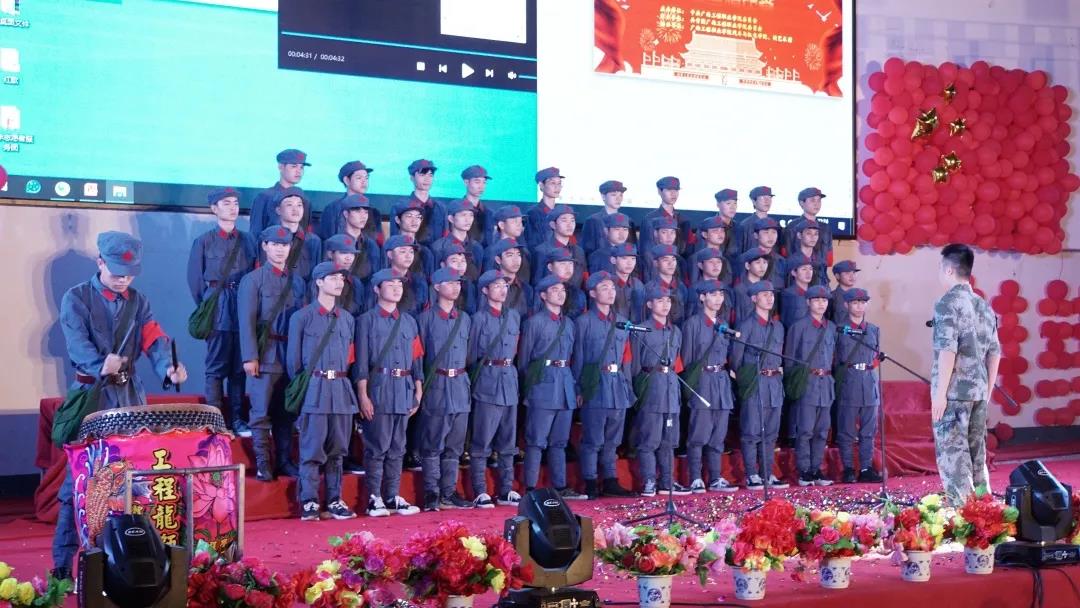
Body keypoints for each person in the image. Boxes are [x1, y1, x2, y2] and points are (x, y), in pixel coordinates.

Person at [52, 231, 189, 580]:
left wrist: (168, 368)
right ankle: (63, 565)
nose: (123, 279)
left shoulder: (138, 301)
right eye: (116, 272)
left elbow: (154, 338)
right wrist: (101, 364)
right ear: (99, 262)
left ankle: (135, 560)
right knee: (79, 481)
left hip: (129, 399)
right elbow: (76, 342)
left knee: (136, 478)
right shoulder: (76, 298)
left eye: (129, 274)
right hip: (91, 398)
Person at [287, 262, 359, 521]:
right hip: (314, 389)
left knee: (338, 451)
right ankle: (308, 500)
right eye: (332, 278)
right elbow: (294, 363)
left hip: (341, 390)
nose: (339, 282)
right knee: (311, 449)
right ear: (318, 281)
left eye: (341, 278)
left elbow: (350, 357)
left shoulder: (347, 319)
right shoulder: (302, 317)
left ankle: (334, 499)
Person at [930, 244, 1000, 505]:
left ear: (949, 270)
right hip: (979, 392)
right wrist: (987, 392)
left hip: (954, 392)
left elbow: (947, 350)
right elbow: (995, 353)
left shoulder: (947, 303)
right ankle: (986, 513)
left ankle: (964, 516)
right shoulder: (984, 305)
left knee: (954, 457)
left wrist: (940, 395)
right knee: (977, 457)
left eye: (941, 267)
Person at [187, 187, 258, 436]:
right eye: (226, 203)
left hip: (243, 305)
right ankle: (215, 421)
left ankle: (237, 420)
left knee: (239, 368)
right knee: (216, 369)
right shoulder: (204, 241)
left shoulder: (249, 240)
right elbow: (195, 282)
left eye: (235, 203)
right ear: (214, 208)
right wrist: (209, 306)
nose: (232, 208)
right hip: (217, 307)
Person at [353, 269, 423, 517]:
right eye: (390, 284)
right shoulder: (366, 320)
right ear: (376, 289)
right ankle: (374, 497)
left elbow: (416, 358)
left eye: (399, 284)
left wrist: (418, 390)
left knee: (398, 446)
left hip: (403, 388)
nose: (396, 288)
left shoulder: (409, 321)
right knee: (377, 446)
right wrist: (363, 395)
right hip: (380, 387)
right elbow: (361, 362)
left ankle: (392, 495)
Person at [239, 225, 307, 482]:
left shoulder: (297, 281)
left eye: (285, 245)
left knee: (286, 411)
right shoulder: (253, 280)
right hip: (265, 354)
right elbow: (246, 321)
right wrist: (250, 356)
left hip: (290, 356)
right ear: (265, 246)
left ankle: (284, 461)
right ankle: (263, 463)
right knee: (260, 412)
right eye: (275, 244)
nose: (280, 249)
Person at [518, 276, 583, 499]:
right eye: (554, 290)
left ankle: (560, 486)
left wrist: (575, 388)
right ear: (543, 295)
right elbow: (524, 360)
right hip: (543, 385)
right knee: (536, 441)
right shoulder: (534, 322)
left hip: (565, 385)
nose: (560, 294)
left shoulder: (569, 324)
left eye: (562, 290)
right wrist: (532, 384)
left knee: (560, 442)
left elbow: (574, 357)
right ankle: (530, 487)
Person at [574, 271, 637, 499]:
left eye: (612, 288)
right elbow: (578, 357)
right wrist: (578, 388)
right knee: (593, 438)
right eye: (604, 288)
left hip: (617, 384)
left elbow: (626, 358)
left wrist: (628, 386)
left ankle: (610, 480)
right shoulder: (583, 322)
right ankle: (590, 481)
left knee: (613, 439)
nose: (610, 292)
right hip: (595, 384)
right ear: (592, 293)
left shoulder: (622, 322)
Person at [416, 268, 473, 511]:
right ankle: (432, 493)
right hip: (437, 384)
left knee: (454, 446)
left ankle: (449, 492)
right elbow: (418, 357)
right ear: (437, 287)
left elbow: (470, 354)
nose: (456, 287)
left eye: (458, 283)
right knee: (432, 443)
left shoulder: (465, 319)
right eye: (450, 283)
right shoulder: (425, 319)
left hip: (459, 384)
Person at [467, 270, 522, 508]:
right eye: (497, 286)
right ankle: (480, 490)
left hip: (509, 380)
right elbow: (471, 354)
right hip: (487, 381)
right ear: (485, 290)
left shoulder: (513, 316)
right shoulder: (478, 319)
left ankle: (506, 489)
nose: (502, 290)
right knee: (482, 441)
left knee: (508, 442)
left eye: (505, 286)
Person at [630, 284, 689, 496]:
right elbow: (634, 365)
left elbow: (678, 362)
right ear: (649, 304)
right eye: (660, 300)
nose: (665, 305)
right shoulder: (640, 330)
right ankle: (648, 481)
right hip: (651, 387)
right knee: (649, 439)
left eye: (668, 301)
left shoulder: (676, 331)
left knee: (669, 440)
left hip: (671, 389)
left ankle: (667, 481)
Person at [682, 280, 738, 493]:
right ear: (702, 297)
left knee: (718, 434)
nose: (718, 299)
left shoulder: (723, 324)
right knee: (699, 433)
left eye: (720, 295)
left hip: (721, 381)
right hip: (702, 380)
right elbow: (688, 359)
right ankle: (696, 477)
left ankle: (715, 477)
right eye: (713, 294)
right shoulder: (693, 324)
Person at [732, 281, 788, 490]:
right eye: (764, 295)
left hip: (774, 384)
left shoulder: (778, 327)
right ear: (754, 299)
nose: (769, 298)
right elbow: (736, 359)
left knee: (771, 433)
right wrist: (746, 381)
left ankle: (767, 473)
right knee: (751, 431)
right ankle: (752, 474)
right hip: (755, 382)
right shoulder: (746, 325)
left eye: (771, 295)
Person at [785, 285, 837, 487]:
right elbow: (790, 360)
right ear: (808, 302)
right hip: (807, 382)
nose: (821, 304)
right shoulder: (798, 327)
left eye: (824, 300)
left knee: (822, 430)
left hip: (826, 384)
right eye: (816, 300)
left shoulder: (831, 328)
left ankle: (817, 468)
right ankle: (804, 470)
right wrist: (794, 384)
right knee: (805, 430)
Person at [835, 288, 883, 484]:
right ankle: (848, 468)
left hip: (869, 382)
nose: (859, 306)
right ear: (846, 305)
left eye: (863, 302)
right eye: (855, 303)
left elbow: (876, 356)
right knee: (847, 430)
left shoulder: (873, 330)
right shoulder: (839, 329)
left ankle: (866, 468)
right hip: (850, 380)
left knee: (869, 430)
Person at [318, 161, 382, 245]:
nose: (364, 182)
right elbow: (327, 240)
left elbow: (377, 241)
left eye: (366, 178)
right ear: (347, 180)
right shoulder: (332, 209)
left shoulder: (373, 211)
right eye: (359, 178)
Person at [249, 148, 310, 237]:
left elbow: (305, 233)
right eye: (294, 166)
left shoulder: (305, 200)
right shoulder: (264, 197)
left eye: (301, 167)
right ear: (281, 167)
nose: (299, 171)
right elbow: (255, 232)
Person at [269, 187, 323, 282]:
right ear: (278, 210)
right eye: (289, 205)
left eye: (299, 205)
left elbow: (316, 274)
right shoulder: (268, 238)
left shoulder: (313, 241)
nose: (295, 209)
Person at [532, 204, 586, 289]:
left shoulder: (579, 251)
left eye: (572, 220)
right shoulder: (542, 251)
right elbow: (537, 284)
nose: (569, 225)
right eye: (564, 220)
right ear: (553, 225)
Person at [390, 159, 442, 246]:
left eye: (430, 175)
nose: (427, 179)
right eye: (422, 175)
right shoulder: (399, 207)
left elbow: (445, 240)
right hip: (410, 252)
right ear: (412, 178)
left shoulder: (441, 208)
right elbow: (395, 240)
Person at [432, 198, 485, 282]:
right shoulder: (439, 247)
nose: (468, 219)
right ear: (451, 218)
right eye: (463, 215)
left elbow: (477, 277)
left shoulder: (477, 247)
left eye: (471, 215)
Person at [335, 194, 383, 287]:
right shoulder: (335, 243)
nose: (363, 216)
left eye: (366, 212)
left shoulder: (371, 245)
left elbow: (375, 276)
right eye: (358, 211)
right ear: (346, 214)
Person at [639, 176, 693, 255]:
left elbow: (688, 250)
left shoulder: (684, 220)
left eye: (676, 190)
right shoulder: (650, 219)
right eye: (669, 190)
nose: (673, 194)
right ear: (659, 191)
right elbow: (646, 251)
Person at [581, 180, 635, 255]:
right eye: (613, 195)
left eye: (621, 195)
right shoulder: (593, 221)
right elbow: (587, 251)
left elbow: (633, 249)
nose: (618, 199)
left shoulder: (628, 221)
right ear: (603, 196)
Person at [379, 235, 429, 317]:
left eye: (411, 252)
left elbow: (425, 312)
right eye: (403, 251)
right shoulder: (380, 281)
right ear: (390, 254)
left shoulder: (420, 282)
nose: (408, 256)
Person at [638, 244, 687, 325]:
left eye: (673, 259)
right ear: (656, 263)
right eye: (665, 260)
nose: (671, 264)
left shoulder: (681, 287)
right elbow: (643, 317)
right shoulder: (648, 289)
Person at [782, 187, 833, 263]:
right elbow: (786, 256)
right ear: (801, 203)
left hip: (820, 270)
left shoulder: (825, 228)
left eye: (819, 200)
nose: (816, 204)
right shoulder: (792, 227)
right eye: (812, 200)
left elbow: (829, 259)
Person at [486, 238, 533, 319]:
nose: (516, 260)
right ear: (498, 260)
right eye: (510, 255)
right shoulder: (489, 286)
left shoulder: (527, 289)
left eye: (518, 255)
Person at [485, 205, 533, 284]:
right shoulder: (491, 252)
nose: (519, 225)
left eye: (520, 221)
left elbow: (526, 280)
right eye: (514, 221)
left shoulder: (524, 251)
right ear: (501, 225)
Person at [389, 200, 437, 277]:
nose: (414, 221)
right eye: (409, 216)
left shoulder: (426, 253)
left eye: (418, 217)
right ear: (397, 220)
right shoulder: (389, 248)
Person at [524, 166, 564, 251]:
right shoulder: (533, 213)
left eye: (559, 183)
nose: (557, 187)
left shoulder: (561, 212)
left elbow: (570, 239)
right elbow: (532, 244)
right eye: (552, 183)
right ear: (541, 185)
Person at [457, 165, 495, 246]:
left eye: (484, 182)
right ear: (466, 182)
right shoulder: (456, 210)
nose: (481, 186)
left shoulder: (489, 213)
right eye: (477, 182)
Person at [609, 243, 645, 322]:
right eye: (624, 258)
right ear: (613, 260)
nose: (629, 263)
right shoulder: (607, 285)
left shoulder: (638, 285)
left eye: (633, 259)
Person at [734, 186, 774, 255]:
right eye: (763, 197)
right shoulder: (744, 226)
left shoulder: (775, 225)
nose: (767, 201)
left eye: (769, 197)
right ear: (754, 201)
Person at [788, 220, 829, 286]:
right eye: (808, 233)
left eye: (816, 234)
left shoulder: (821, 261)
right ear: (799, 235)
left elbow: (825, 284)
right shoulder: (791, 261)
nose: (813, 237)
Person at [780, 253, 814, 329]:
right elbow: (785, 320)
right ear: (794, 272)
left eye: (811, 269)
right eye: (804, 269)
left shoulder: (814, 293)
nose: (808, 273)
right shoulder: (788, 294)